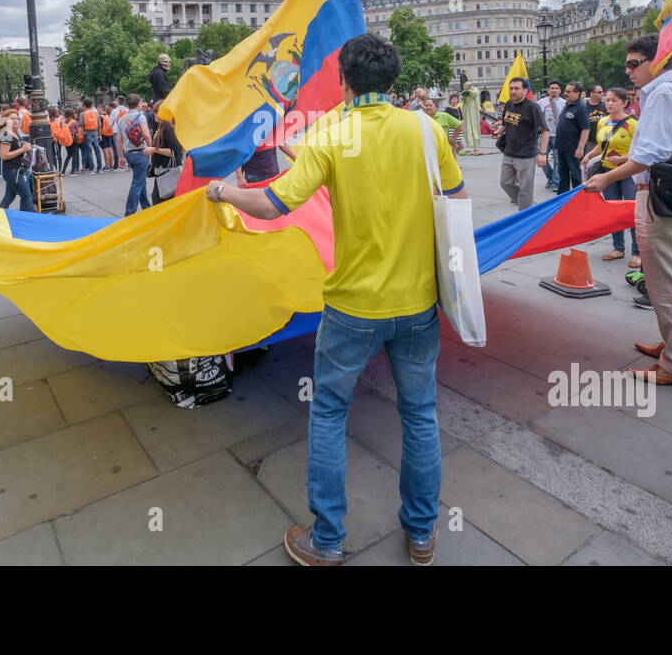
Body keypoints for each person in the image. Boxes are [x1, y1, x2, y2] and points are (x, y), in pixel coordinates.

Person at [206, 33, 466, 566]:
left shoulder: (330, 133)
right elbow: (457, 199)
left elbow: (274, 204)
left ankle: (326, 541)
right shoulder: (425, 129)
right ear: (393, 81)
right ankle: (421, 535)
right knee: (419, 416)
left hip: (351, 307)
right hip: (418, 305)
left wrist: (223, 192)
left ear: (344, 81)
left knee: (328, 413)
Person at [585, 34, 672, 386]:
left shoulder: (665, 94)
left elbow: (653, 154)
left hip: (660, 193)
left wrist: (608, 177)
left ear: (659, 59)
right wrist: (632, 161)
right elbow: (667, 147)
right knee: (669, 273)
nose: (629, 71)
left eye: (634, 63)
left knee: (665, 280)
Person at [581, 87, 639, 266]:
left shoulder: (633, 124)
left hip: (628, 172)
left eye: (614, 100)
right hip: (607, 172)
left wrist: (622, 158)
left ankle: (637, 252)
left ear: (624, 103)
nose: (610, 104)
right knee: (613, 211)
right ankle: (618, 248)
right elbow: (601, 146)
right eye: (607, 100)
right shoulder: (603, 122)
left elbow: (641, 152)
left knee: (631, 212)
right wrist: (589, 155)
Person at [492, 79, 548, 211]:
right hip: (509, 152)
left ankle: (525, 215)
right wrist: (499, 131)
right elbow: (506, 123)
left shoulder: (532, 107)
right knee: (505, 183)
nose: (513, 91)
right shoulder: (509, 104)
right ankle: (529, 206)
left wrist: (542, 153)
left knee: (525, 189)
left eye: (517, 88)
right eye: (511, 88)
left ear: (525, 90)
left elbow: (544, 131)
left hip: (526, 155)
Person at [115, 94, 153, 215]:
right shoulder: (140, 117)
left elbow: (119, 140)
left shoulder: (121, 119)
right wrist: (151, 148)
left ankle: (146, 207)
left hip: (129, 154)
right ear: (139, 104)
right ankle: (130, 212)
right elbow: (146, 135)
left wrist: (120, 156)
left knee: (141, 180)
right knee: (137, 183)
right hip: (141, 153)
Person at [0, 111, 36, 212]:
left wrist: (25, 147)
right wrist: (22, 149)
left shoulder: (14, 133)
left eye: (17, 118)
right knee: (26, 196)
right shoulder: (6, 134)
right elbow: (3, 155)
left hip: (15, 171)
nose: (15, 121)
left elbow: (14, 149)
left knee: (9, 198)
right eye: (12, 119)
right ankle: (31, 218)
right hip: (12, 172)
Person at [553, 82, 588, 193]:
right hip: (562, 147)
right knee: (563, 176)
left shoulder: (580, 107)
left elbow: (585, 129)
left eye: (568, 91)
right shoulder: (567, 105)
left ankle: (579, 199)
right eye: (565, 91)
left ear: (577, 93)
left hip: (573, 148)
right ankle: (562, 200)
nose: (565, 93)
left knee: (576, 176)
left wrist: (580, 147)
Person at [540, 82, 565, 191]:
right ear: (548, 90)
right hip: (544, 135)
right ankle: (550, 177)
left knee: (557, 160)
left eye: (556, 88)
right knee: (542, 159)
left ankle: (555, 181)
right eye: (552, 88)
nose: (554, 90)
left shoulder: (564, 103)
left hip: (558, 135)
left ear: (560, 90)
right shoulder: (541, 102)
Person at [81, 99, 104, 174]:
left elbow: (81, 124)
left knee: (89, 151)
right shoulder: (96, 113)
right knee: (97, 151)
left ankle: (92, 168)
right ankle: (99, 168)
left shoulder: (83, 114)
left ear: (84, 105)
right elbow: (99, 124)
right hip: (95, 133)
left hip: (87, 134)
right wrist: (100, 134)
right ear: (92, 105)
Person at [582, 85, 605, 156]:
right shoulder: (584, 107)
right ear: (592, 93)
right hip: (589, 141)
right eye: (599, 92)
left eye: (602, 92)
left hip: (604, 140)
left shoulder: (606, 106)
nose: (602, 94)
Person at [459, 83, 482, 155]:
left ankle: (475, 142)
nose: (469, 87)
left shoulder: (475, 89)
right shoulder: (465, 91)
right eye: (468, 86)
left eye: (470, 85)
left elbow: (475, 94)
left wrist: (469, 92)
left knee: (474, 125)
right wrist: (464, 95)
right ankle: (470, 142)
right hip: (467, 110)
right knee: (468, 126)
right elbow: (462, 99)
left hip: (473, 109)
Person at [99, 105, 117, 170]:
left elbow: (100, 127)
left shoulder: (100, 117)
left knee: (105, 150)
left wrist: (99, 135)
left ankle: (107, 165)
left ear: (101, 109)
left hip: (103, 134)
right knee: (110, 149)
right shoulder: (108, 116)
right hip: (109, 133)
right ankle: (111, 164)